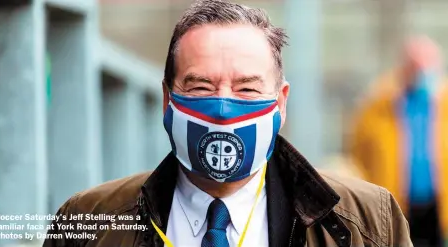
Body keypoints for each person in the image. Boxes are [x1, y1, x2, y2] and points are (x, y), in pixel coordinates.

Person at [43, 1, 412, 246]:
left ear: (281, 102)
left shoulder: (368, 223)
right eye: (201, 86)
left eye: (247, 88)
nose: (223, 108)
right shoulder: (88, 221)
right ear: (167, 100)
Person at [349, 36, 448, 247]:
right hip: (396, 204)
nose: (422, 71)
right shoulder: (378, 105)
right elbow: (359, 152)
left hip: (440, 207)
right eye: (415, 65)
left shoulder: (443, 104)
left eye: (427, 64)